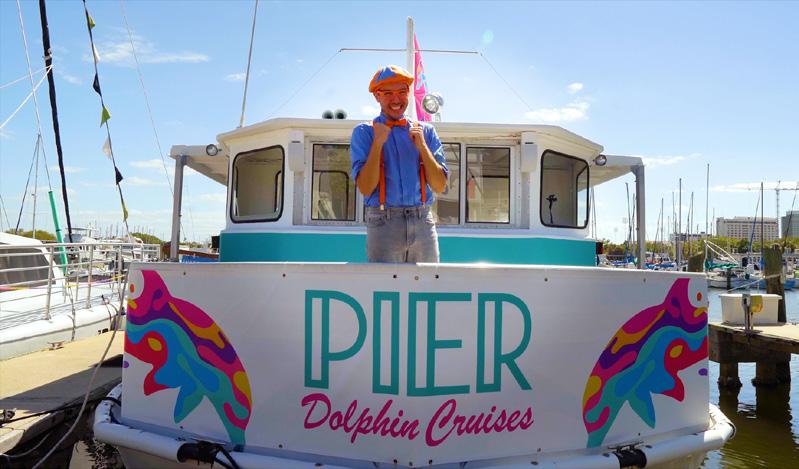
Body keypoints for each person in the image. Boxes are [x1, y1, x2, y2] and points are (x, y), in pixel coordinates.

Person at [350, 65, 448, 263]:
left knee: (428, 280)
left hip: (423, 220)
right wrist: (377, 143)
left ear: (409, 93)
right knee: (385, 282)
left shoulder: (426, 132)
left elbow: (439, 185)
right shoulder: (364, 132)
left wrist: (422, 147)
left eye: (402, 92)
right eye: (388, 93)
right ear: (377, 96)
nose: (396, 99)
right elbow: (366, 188)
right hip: (383, 221)